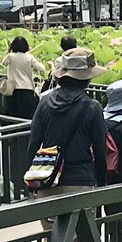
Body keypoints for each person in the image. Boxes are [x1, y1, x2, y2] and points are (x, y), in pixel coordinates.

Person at [28, 47, 109, 196]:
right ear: (87, 78)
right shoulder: (93, 107)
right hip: (81, 181)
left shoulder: (44, 102)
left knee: (51, 220)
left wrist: (32, 181)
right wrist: (101, 183)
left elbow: (33, 143)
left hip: (48, 180)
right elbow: (100, 151)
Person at [1, 34, 45, 121]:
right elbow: (42, 68)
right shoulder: (30, 57)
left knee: (13, 115)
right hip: (27, 89)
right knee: (27, 116)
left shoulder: (10, 56)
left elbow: (3, 63)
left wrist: (9, 51)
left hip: (13, 90)